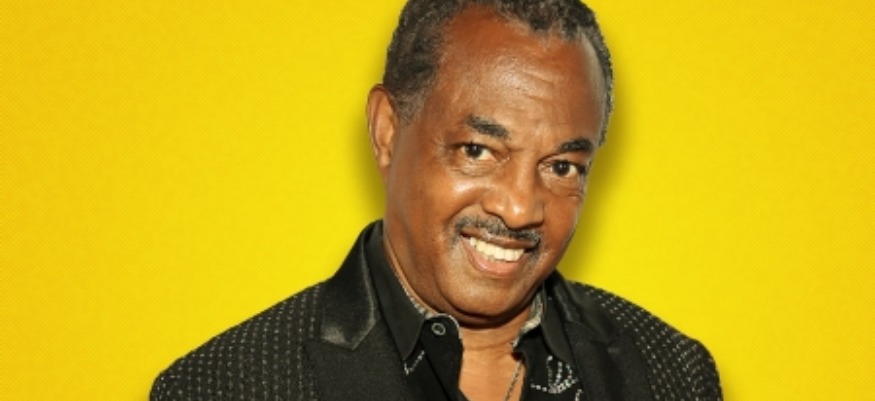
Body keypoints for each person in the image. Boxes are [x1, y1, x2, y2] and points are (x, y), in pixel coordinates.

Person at [151, 1, 722, 400]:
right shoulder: (225, 387)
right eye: (478, 150)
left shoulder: (673, 376)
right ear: (387, 131)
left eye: (561, 166)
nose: (520, 208)